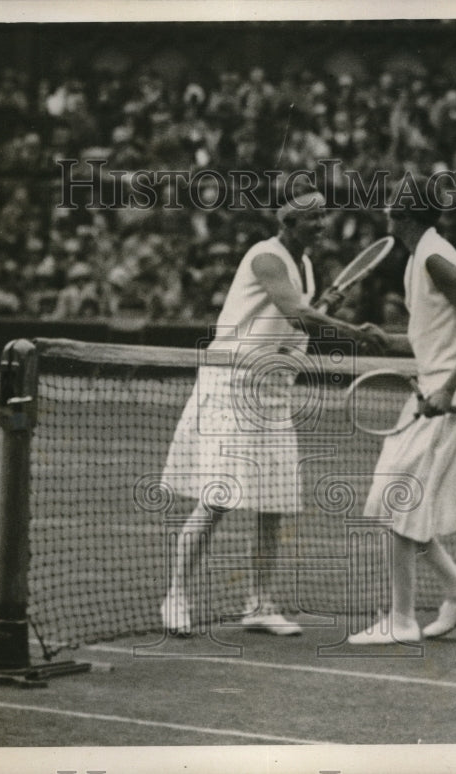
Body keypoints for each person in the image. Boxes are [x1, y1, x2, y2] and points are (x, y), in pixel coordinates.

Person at [160, 187, 388, 636]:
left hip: (273, 391)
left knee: (273, 502)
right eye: (312, 217)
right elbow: (295, 311)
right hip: (231, 383)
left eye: (324, 216)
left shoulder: (304, 266)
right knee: (218, 498)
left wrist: (325, 311)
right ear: (287, 220)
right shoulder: (265, 257)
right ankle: (175, 595)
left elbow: (298, 322)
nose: (321, 224)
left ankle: (259, 603)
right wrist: (351, 330)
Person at [348, 177, 456, 645]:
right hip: (433, 393)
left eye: (391, 206)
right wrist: (389, 340)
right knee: (398, 498)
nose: (385, 211)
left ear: (403, 217)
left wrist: (448, 390)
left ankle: (404, 620)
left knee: (398, 497)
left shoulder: (434, 256)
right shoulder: (421, 257)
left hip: (452, 398)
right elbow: (435, 333)